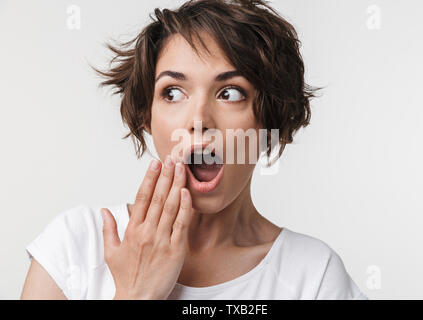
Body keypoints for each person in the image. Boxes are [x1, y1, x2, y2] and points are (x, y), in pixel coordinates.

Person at [21, 0, 368, 300]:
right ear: (147, 117)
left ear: (267, 123)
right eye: (173, 93)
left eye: (230, 93)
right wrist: (136, 293)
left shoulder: (313, 275)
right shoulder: (76, 246)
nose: (199, 120)